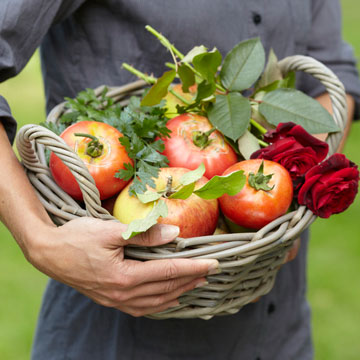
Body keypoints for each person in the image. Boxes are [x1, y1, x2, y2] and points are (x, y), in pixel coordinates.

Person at [0, 1, 359, 359]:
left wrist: (293, 191)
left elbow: (333, 74)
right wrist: (40, 240)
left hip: (279, 330)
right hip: (116, 335)